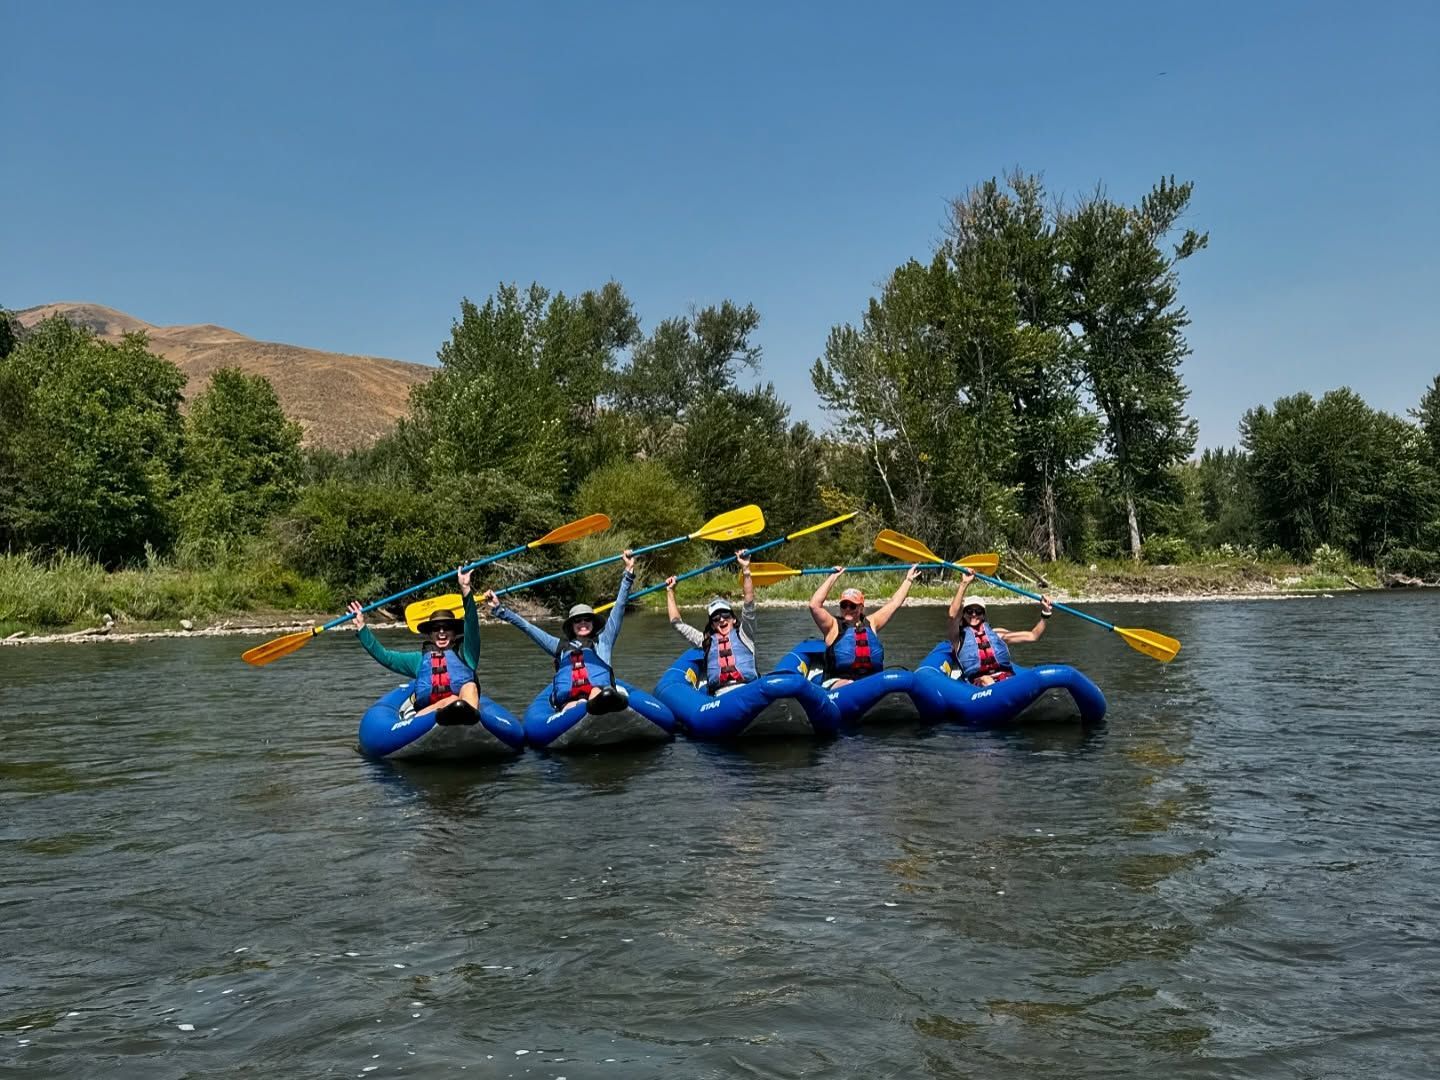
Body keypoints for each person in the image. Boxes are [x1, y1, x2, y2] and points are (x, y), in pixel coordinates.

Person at [484, 550, 636, 714]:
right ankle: (581, 712)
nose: (583, 623)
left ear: (593, 622)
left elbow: (619, 608)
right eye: (578, 620)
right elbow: (528, 628)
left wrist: (628, 573)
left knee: (596, 693)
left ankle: (594, 707)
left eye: (587, 619)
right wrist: (500, 610)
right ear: (571, 625)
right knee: (573, 705)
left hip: (600, 697)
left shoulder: (604, 641)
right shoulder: (559, 646)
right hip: (571, 702)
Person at [347, 567, 481, 716]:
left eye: (447, 628)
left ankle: (469, 724)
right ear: (430, 635)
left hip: (462, 711)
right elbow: (385, 657)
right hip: (428, 717)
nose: (441, 632)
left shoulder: (467, 653)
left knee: (469, 687)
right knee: (451, 700)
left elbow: (472, 625)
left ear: (455, 633)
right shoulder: (418, 660)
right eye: (436, 629)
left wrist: (466, 590)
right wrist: (361, 627)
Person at [807, 564, 922, 687]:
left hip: (869, 683)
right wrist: (833, 577)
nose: (848, 609)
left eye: (852, 606)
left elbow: (894, 603)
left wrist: (908, 580)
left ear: (861, 608)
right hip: (838, 683)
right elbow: (814, 605)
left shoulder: (871, 623)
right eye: (844, 605)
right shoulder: (832, 626)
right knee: (848, 684)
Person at [664, 549, 757, 693]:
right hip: (720, 696)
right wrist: (670, 591)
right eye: (716, 618)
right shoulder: (705, 640)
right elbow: (677, 623)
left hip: (748, 690)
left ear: (733, 619)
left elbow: (749, 602)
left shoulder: (745, 633)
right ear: (712, 624)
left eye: (725, 615)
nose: (721, 620)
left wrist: (745, 568)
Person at [947, 569, 1054, 685]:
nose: (974, 614)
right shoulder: (958, 637)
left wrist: (1045, 613)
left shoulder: (997, 634)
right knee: (986, 680)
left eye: (978, 611)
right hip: (979, 684)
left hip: (1005, 678)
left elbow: (1033, 635)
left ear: (983, 615)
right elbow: (952, 615)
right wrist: (964, 583)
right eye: (969, 611)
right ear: (963, 614)